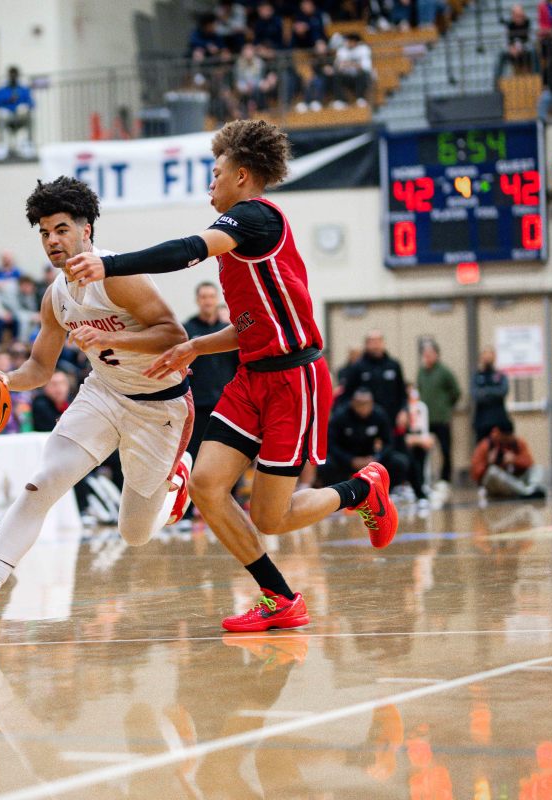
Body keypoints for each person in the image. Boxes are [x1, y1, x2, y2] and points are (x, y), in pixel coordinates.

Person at [67, 119, 397, 633]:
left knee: (270, 517)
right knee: (205, 485)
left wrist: (108, 265)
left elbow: (183, 251)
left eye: (216, 172)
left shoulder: (255, 218)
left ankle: (362, 490)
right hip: (252, 377)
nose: (210, 184)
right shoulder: (243, 245)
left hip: (294, 380)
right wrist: (194, 346)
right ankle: (279, 597)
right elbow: (250, 325)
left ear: (242, 176)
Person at [0, 177, 194, 633]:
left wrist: (112, 337)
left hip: (160, 407)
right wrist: (2, 378)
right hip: (104, 393)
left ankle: (176, 480)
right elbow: (39, 367)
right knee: (42, 482)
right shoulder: (56, 295)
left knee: (133, 533)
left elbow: (176, 336)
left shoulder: (120, 275)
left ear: (86, 229)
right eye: (46, 232)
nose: (53, 240)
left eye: (62, 229)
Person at [184, 282, 238, 458]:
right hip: (196, 406)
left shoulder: (227, 332)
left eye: (211, 297)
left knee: (226, 454)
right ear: (197, 300)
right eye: (203, 297)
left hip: (225, 405)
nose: (208, 301)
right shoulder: (187, 330)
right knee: (194, 454)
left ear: (217, 299)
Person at [416, 339, 461, 487]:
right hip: (425, 420)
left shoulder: (444, 371)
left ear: (437, 354)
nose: (427, 357)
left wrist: (446, 407)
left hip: (442, 418)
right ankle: (422, 479)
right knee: (422, 451)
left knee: (445, 449)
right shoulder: (421, 372)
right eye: (425, 354)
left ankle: (445, 478)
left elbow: (456, 392)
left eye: (430, 353)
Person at [470, 420, 546, 499]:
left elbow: (529, 463)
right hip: (496, 484)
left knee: (538, 468)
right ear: (498, 433)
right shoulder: (486, 445)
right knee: (493, 471)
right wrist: (489, 463)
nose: (505, 441)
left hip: (516, 480)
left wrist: (515, 460)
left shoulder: (517, 443)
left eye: (508, 438)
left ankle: (532, 489)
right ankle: (526, 492)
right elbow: (475, 474)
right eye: (504, 439)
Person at [0, 66, 34, 161]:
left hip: (20, 117)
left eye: (15, 74)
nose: (13, 77)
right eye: (11, 74)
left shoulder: (23, 89)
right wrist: (8, 100)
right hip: (7, 117)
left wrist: (22, 105)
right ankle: (2, 145)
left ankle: (28, 143)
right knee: (1, 113)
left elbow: (31, 103)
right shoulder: (2, 90)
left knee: (24, 109)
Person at [472, 346, 510, 438]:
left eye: (490, 355)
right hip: (482, 421)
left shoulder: (500, 375)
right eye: (485, 355)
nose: (487, 358)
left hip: (499, 420)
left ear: (494, 357)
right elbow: (476, 395)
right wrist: (493, 392)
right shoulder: (477, 376)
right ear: (481, 358)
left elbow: (503, 391)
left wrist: (486, 391)